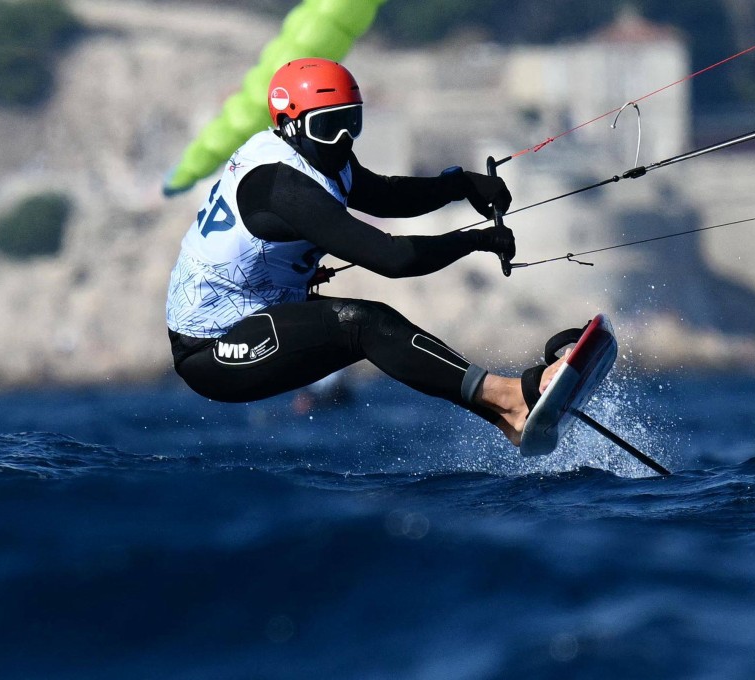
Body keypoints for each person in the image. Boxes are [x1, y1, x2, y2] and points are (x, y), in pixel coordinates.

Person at [165, 58, 565, 444]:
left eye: (350, 122)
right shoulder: (282, 186)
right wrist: (474, 241)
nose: (342, 139)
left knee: (370, 324)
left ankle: (509, 415)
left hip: (257, 309)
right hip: (212, 350)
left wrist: (461, 185)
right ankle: (510, 399)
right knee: (363, 324)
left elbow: (386, 195)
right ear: (290, 124)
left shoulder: (317, 154)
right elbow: (393, 258)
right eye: (328, 126)